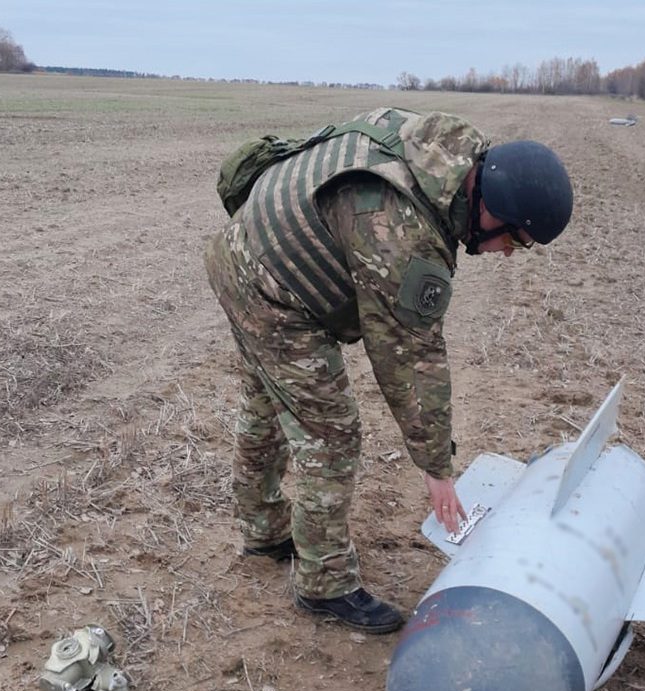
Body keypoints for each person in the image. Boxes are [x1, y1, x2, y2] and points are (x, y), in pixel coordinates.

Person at [204, 107, 573, 634]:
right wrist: (438, 472)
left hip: (243, 250)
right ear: (492, 209)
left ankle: (263, 529)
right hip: (268, 288)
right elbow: (408, 358)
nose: (507, 255)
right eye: (514, 241)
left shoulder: (444, 149)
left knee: (267, 401)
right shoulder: (402, 233)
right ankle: (324, 583)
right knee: (329, 431)